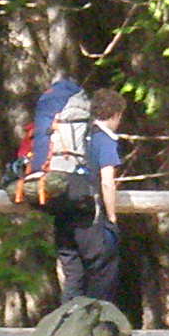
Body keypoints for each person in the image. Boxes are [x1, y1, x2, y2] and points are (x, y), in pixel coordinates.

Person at [43, 83, 125, 302]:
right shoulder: (104, 138)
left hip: (63, 210)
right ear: (116, 115)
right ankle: (95, 329)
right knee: (102, 274)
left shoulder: (77, 137)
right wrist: (112, 217)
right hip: (89, 216)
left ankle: (66, 326)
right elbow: (107, 182)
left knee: (74, 277)